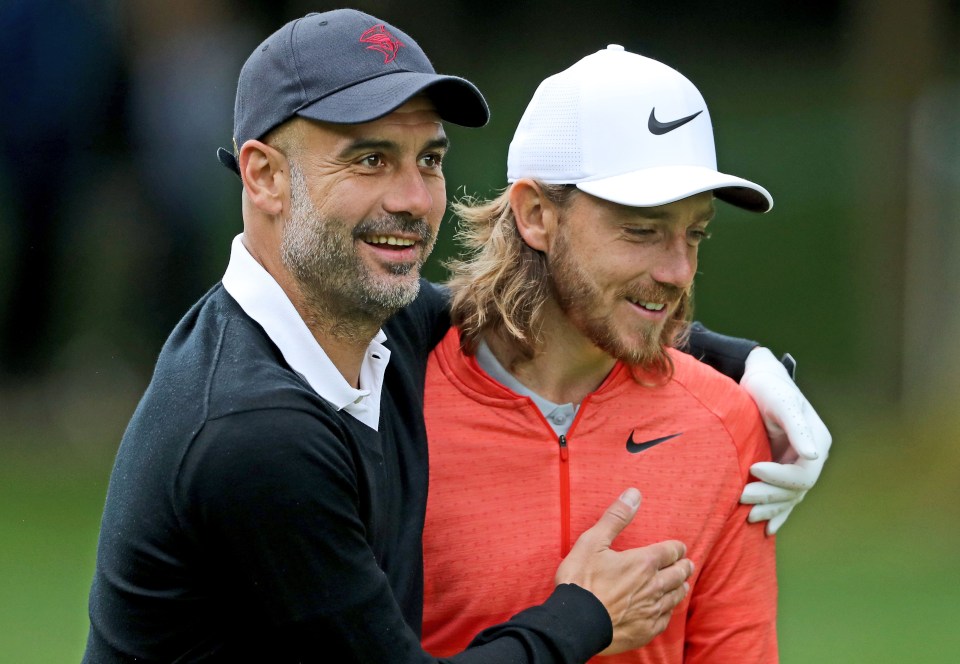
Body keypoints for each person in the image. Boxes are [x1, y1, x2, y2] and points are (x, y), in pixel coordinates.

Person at [83, 11, 698, 663]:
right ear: (264, 177)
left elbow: (544, 315)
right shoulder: (256, 433)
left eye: (428, 160)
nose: (413, 199)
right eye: (370, 160)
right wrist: (585, 614)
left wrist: (749, 366)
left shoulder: (376, 322)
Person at [420, 46, 829, 662]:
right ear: (536, 215)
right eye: (641, 230)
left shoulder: (724, 423)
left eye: (695, 233)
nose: (678, 271)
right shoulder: (392, 409)